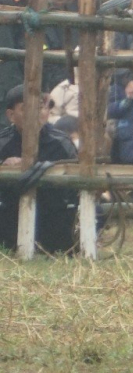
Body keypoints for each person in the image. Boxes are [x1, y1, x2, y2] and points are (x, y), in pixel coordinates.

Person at [0, 81, 76, 254]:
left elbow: (76, 187)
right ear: (11, 115)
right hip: (10, 216)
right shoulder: (2, 143)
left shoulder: (62, 143)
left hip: (53, 216)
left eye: (41, 107)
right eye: (26, 108)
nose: (36, 114)